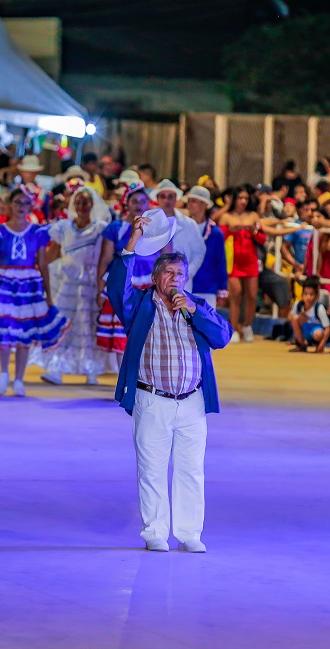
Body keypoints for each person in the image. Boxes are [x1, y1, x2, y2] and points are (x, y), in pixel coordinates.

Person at [107, 217, 233, 553]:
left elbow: (222, 337)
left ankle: (190, 533)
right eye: (168, 274)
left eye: (180, 274)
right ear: (155, 277)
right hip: (152, 400)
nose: (175, 280)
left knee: (191, 470)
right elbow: (116, 286)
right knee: (152, 469)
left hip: (192, 402)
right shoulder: (140, 306)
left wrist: (194, 310)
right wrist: (133, 240)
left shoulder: (196, 306)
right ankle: (155, 532)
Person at [0, 186, 68, 397]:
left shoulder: (37, 232)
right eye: (17, 203)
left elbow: (43, 263)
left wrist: (48, 294)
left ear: (31, 205)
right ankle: (4, 373)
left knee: (25, 333)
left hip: (29, 284)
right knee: (5, 328)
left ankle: (19, 379)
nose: (21, 207)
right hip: (6, 282)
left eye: (25, 203)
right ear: (9, 205)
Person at [35, 186, 110, 385]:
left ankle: (91, 369)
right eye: (78, 202)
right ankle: (55, 368)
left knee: (88, 324)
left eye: (85, 202)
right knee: (63, 323)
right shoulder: (63, 228)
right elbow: (52, 254)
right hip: (66, 280)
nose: (81, 206)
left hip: (91, 281)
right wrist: (36, 272)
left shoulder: (101, 228)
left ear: (92, 204)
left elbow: (105, 256)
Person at [95, 183, 161, 365]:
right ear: (127, 203)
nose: (139, 205)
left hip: (150, 282)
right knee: (122, 325)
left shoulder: (158, 227)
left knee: (148, 325)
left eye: (142, 201)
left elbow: (166, 257)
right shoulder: (116, 227)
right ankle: (123, 371)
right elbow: (105, 259)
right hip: (124, 282)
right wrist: (101, 288)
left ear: (148, 204)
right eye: (134, 201)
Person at [220, 185, 264, 343]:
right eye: (240, 198)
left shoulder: (253, 215)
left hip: (250, 259)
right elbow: (220, 238)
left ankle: (247, 325)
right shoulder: (226, 216)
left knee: (252, 295)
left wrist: (254, 231)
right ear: (234, 199)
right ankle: (234, 328)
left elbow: (262, 239)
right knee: (235, 294)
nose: (243, 201)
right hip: (233, 260)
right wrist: (231, 230)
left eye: (246, 198)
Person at [149, 179, 206, 292]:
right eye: (163, 196)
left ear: (176, 198)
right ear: (157, 199)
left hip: (182, 284)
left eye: (170, 196)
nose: (167, 200)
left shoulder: (189, 224)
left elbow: (200, 251)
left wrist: (187, 273)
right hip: (152, 282)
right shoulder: (149, 223)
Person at [183, 186, 228, 307]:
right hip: (184, 287)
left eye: (194, 201)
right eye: (189, 201)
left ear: (204, 204)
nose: (190, 205)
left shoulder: (215, 233)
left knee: (206, 324)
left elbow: (220, 261)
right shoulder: (181, 229)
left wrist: (221, 289)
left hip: (208, 288)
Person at [289, 276, 330, 353]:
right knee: (294, 319)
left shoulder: (319, 308)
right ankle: (301, 345)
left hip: (316, 332)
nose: (308, 297)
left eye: (311, 294)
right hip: (305, 330)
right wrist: (299, 316)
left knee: (318, 334)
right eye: (306, 294)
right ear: (302, 294)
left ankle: (314, 344)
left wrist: (322, 345)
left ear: (316, 296)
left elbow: (327, 328)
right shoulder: (298, 305)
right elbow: (289, 318)